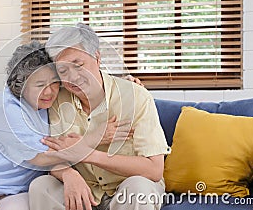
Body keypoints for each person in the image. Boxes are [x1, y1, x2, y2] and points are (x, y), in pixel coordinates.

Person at [0, 41, 134, 210]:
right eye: (39, 85)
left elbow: (86, 82)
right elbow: (40, 158)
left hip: (19, 190)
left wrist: (125, 84)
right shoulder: (6, 109)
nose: (49, 92)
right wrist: (94, 139)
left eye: (54, 83)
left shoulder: (51, 101)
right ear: (21, 86)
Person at [28, 23, 171, 210]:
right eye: (63, 71)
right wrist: (68, 175)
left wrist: (88, 154)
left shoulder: (136, 97)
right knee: (41, 186)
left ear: (97, 57)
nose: (73, 77)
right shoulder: (56, 99)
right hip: (85, 190)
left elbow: (153, 169)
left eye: (78, 65)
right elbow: (53, 154)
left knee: (139, 188)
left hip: (127, 188)